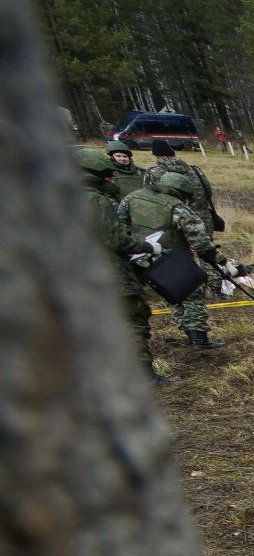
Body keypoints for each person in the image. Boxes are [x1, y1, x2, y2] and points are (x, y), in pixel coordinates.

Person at [77, 147, 166, 383]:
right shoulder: (95, 200)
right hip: (110, 273)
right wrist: (146, 246)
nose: (111, 178)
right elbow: (116, 239)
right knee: (132, 321)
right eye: (107, 174)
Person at [121, 170, 224, 351]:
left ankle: (189, 334)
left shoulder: (132, 198)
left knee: (172, 297)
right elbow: (200, 241)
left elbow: (120, 226)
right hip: (171, 259)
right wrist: (221, 261)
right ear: (181, 191)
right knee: (191, 294)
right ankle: (199, 339)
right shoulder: (177, 207)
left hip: (140, 260)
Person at [145, 141, 215, 226]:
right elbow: (208, 193)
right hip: (204, 219)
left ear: (158, 157)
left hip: (176, 221)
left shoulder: (153, 172)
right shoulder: (196, 170)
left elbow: (147, 198)